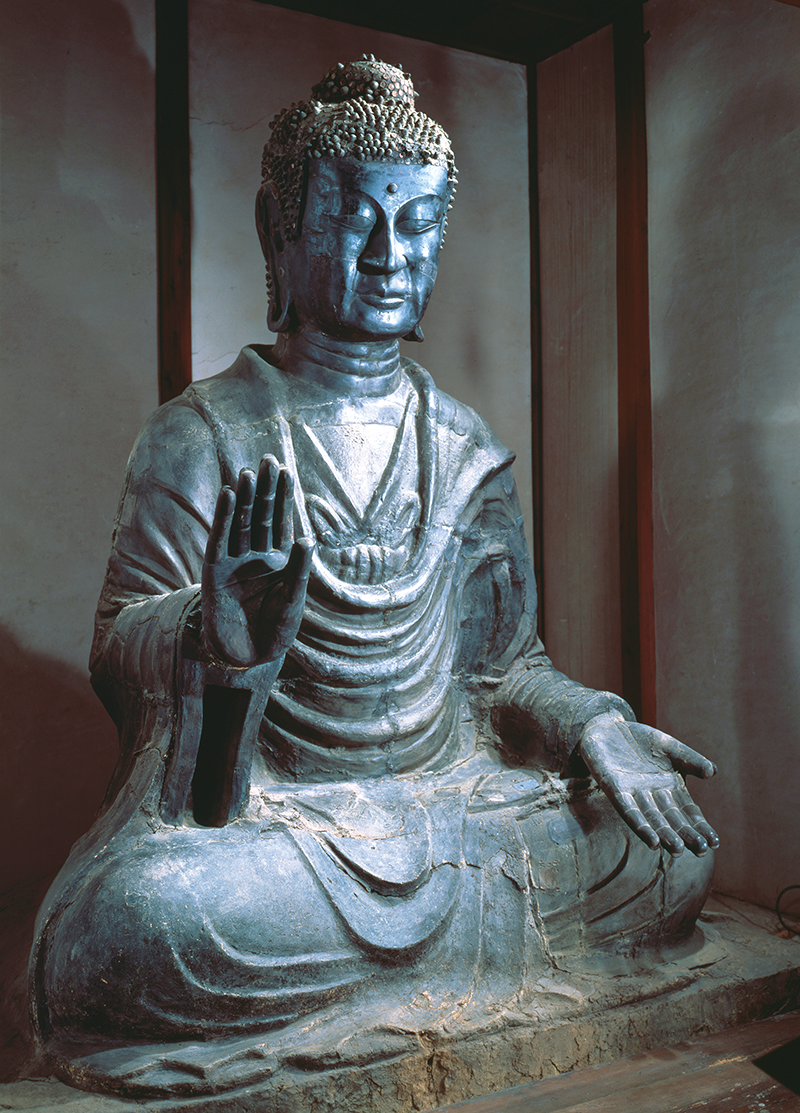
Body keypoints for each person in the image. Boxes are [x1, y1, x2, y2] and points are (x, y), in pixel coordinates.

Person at [30, 57, 718, 1098]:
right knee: (133, 922)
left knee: (664, 847)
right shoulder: (201, 435)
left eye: (419, 224)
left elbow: (501, 673)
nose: (390, 254)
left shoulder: (463, 446)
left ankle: (401, 970)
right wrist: (211, 636)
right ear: (278, 229)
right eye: (354, 218)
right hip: (283, 827)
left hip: (455, 809)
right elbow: (121, 641)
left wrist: (593, 724)